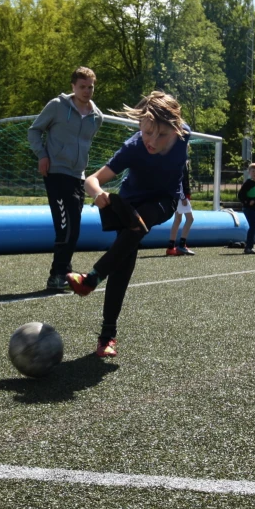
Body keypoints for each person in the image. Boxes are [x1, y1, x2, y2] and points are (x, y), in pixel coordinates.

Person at [65, 91, 190, 358]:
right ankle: (106, 338)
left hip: (163, 202)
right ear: (140, 126)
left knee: (142, 219)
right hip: (128, 206)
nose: (152, 141)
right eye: (146, 133)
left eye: (161, 135)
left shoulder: (184, 135)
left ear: (177, 129)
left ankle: (92, 278)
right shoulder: (133, 148)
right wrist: (98, 195)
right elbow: (91, 180)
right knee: (123, 267)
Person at [28, 66, 103, 291]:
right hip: (56, 173)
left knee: (74, 227)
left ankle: (65, 271)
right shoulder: (57, 106)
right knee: (66, 226)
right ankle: (57, 275)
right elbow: (34, 131)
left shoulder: (96, 117)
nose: (87, 91)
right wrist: (42, 155)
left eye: (90, 87)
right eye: (82, 87)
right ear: (73, 86)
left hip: (77, 176)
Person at [166, 151, 195, 256]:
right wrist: (182, 196)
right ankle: (182, 245)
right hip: (181, 195)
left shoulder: (180, 160)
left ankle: (171, 247)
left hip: (179, 195)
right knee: (190, 219)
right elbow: (178, 181)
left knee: (177, 220)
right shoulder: (180, 161)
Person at [237, 162, 255, 254]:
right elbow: (240, 195)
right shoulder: (248, 183)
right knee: (253, 227)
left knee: (254, 227)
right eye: (253, 171)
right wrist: (248, 202)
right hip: (248, 208)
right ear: (249, 172)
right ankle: (248, 247)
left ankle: (249, 246)